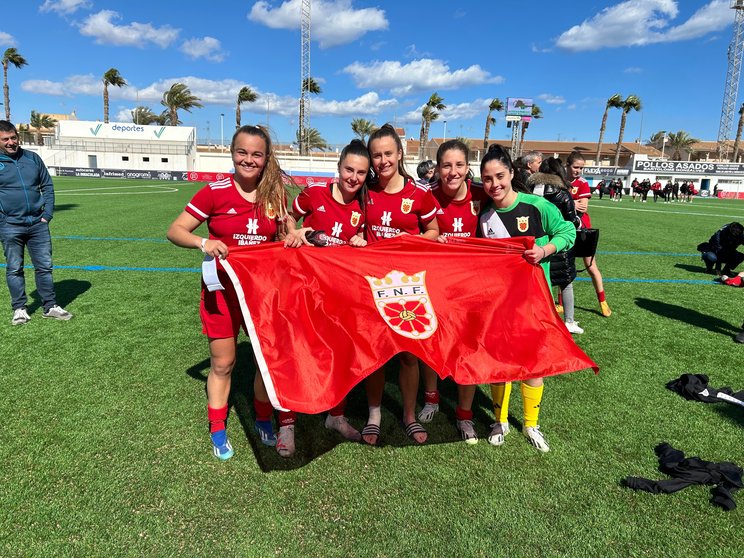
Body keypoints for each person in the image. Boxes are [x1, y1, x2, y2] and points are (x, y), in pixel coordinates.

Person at [167, 125, 291, 461]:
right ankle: (218, 426)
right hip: (220, 292)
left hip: (260, 294)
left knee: (265, 363)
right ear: (232, 153)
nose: (248, 160)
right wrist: (204, 242)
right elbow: (175, 230)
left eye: (256, 154)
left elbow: (285, 231)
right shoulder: (214, 192)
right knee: (224, 363)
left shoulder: (274, 193)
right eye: (242, 152)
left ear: (266, 159)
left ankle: (263, 417)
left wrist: (293, 233)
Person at [478, 144, 575, 452]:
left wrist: (544, 250)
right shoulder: (485, 216)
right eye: (488, 178)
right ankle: (500, 420)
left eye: (500, 176)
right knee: (501, 362)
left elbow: (568, 231)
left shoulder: (535, 206)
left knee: (534, 365)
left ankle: (531, 424)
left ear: (511, 174)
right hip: (501, 302)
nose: (495, 184)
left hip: (536, 300)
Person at [284, 139, 369, 442]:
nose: (353, 178)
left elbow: (364, 244)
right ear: (338, 167)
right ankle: (287, 422)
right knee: (297, 351)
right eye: (349, 169)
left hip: (340, 293)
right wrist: (295, 233)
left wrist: (361, 241)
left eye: (361, 172)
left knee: (340, 354)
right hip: (304, 288)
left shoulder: (364, 207)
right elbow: (287, 220)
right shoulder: (314, 194)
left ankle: (336, 416)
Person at [362, 123, 439, 446]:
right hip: (370, 284)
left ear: (400, 154)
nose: (382, 161)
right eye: (376, 155)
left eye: (388, 154)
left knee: (409, 355)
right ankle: (374, 415)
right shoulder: (364, 192)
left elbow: (433, 231)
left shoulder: (419, 193)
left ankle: (408, 414)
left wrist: (413, 241)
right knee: (375, 354)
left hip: (408, 287)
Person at [418, 139, 490, 444]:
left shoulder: (481, 196)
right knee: (430, 344)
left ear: (467, 167)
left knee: (469, 349)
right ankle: (432, 398)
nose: (453, 171)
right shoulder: (426, 197)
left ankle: (464, 414)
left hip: (470, 288)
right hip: (435, 285)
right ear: (437, 168)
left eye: (459, 164)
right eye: (446, 165)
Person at [0, 120, 73, 325]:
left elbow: (47, 186)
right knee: (14, 268)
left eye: (13, 137)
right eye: (5, 139)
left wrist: (47, 214)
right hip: (10, 225)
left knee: (45, 266)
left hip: (37, 224)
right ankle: (20, 308)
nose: (11, 142)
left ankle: (50, 306)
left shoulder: (32, 158)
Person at [528, 157, 583, 334]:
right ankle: (569, 320)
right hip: (557, 246)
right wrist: (578, 222)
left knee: (539, 284)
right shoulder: (561, 192)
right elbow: (570, 222)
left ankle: (541, 318)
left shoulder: (529, 189)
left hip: (535, 244)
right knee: (565, 283)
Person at [567, 151, 612, 317]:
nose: (578, 170)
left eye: (581, 167)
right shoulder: (560, 181)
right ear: (567, 165)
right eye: (575, 167)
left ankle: (602, 301)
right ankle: (561, 302)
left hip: (583, 228)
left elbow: (583, 207)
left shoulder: (583, 183)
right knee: (565, 265)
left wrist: (567, 202)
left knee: (591, 266)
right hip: (565, 228)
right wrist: (573, 202)